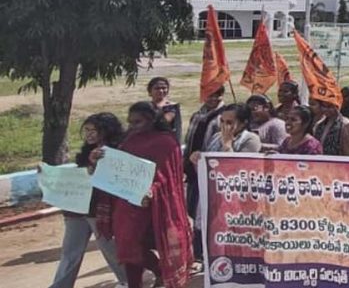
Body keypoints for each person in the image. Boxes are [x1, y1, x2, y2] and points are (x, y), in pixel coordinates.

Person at [96, 102, 192, 288]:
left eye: (137, 122)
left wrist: (153, 189)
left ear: (151, 120)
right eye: (130, 122)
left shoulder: (166, 142)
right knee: (127, 246)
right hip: (127, 204)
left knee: (149, 244)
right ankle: (146, 278)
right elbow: (118, 167)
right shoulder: (129, 139)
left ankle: (161, 274)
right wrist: (97, 160)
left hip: (155, 204)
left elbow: (169, 175)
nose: (132, 126)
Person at [49, 113, 127, 288]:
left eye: (94, 130)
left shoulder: (118, 151)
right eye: (87, 130)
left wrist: (94, 164)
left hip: (99, 210)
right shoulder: (86, 151)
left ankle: (128, 280)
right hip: (77, 209)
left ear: (107, 131)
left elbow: (111, 180)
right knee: (70, 252)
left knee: (109, 249)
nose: (89, 134)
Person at [183, 86, 224, 265]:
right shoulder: (197, 114)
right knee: (191, 210)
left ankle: (202, 252)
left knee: (204, 213)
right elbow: (189, 139)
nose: (211, 98)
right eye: (208, 95)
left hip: (209, 172)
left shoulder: (223, 116)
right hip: (192, 171)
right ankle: (194, 249)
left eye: (215, 95)